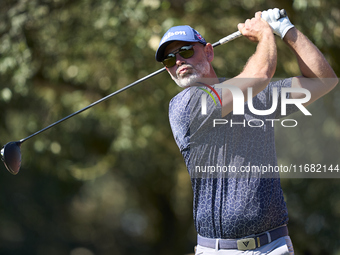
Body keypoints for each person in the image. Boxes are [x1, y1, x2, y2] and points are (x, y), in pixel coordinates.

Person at [155, 8, 337, 255]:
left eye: (185, 51)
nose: (178, 62)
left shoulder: (258, 97)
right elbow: (260, 74)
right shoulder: (184, 105)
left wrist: (285, 28)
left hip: (273, 248)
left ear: (208, 52)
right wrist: (265, 34)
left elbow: (323, 80)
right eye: (169, 60)